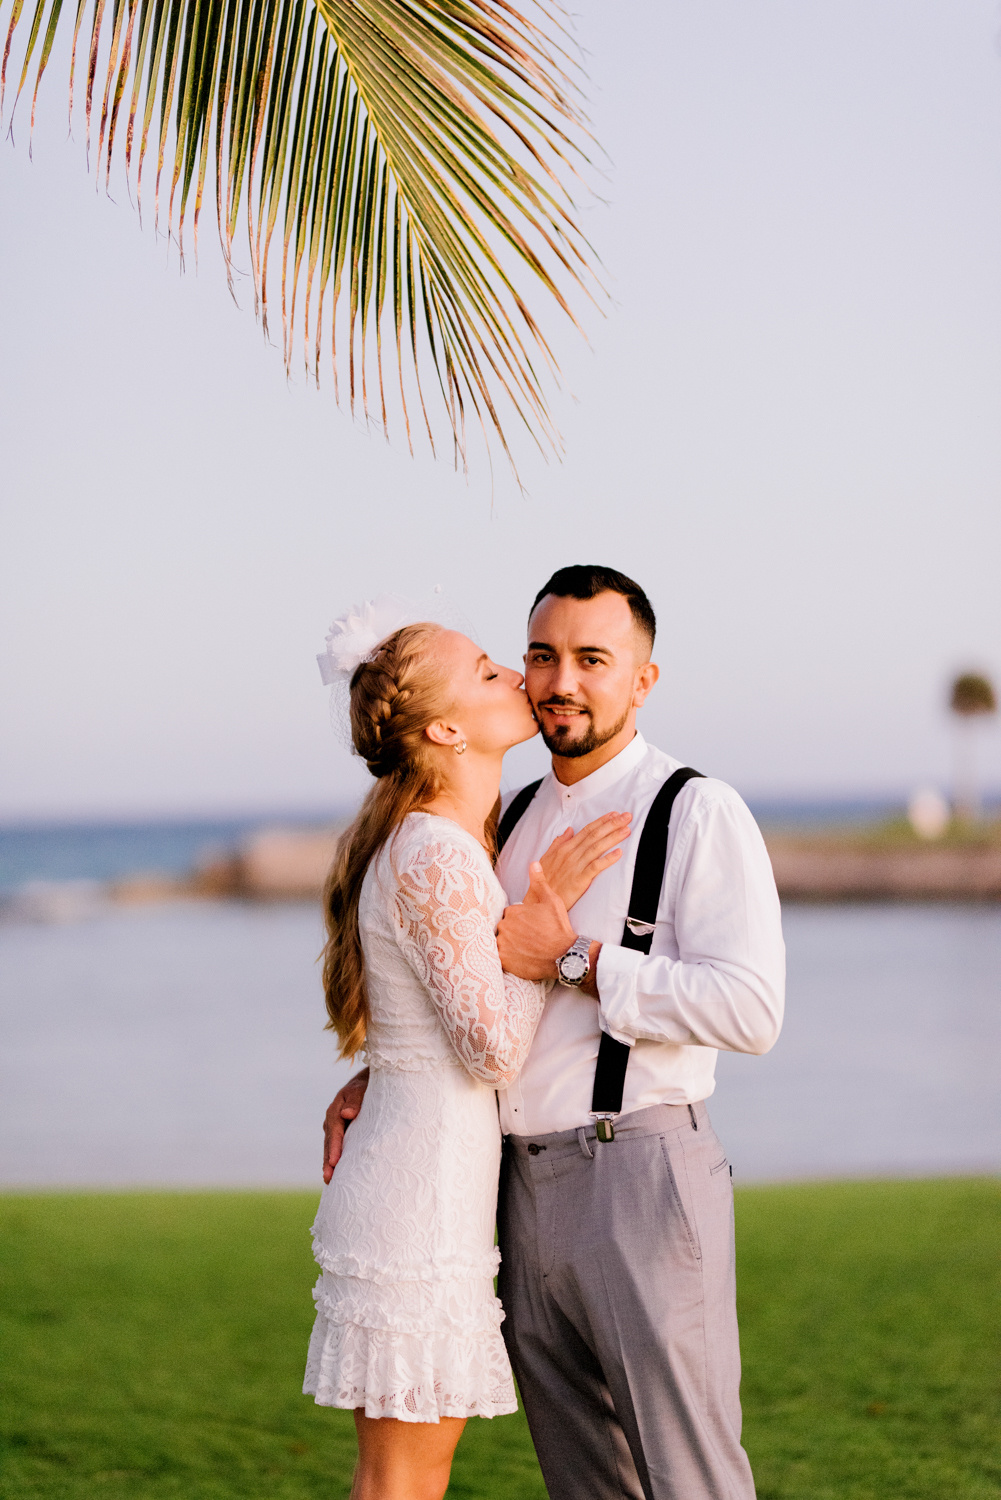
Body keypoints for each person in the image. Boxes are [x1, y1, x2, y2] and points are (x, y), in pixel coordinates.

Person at [324, 566, 786, 1500]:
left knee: (687, 1475)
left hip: (639, 1177)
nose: (559, 680)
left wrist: (574, 957)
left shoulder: (694, 809)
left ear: (642, 679)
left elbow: (751, 1010)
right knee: (585, 1483)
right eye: (540, 656)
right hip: (510, 1192)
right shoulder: (512, 816)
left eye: (591, 659)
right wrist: (382, 1076)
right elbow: (455, 989)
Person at [306, 607, 631, 1500]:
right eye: (488, 672)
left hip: (423, 1184)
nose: (516, 678)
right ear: (445, 728)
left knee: (402, 1477)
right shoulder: (439, 853)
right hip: (419, 1203)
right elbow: (490, 1049)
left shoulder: (434, 841)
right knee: (405, 1481)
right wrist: (539, 926)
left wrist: (375, 1072)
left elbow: (431, 1024)